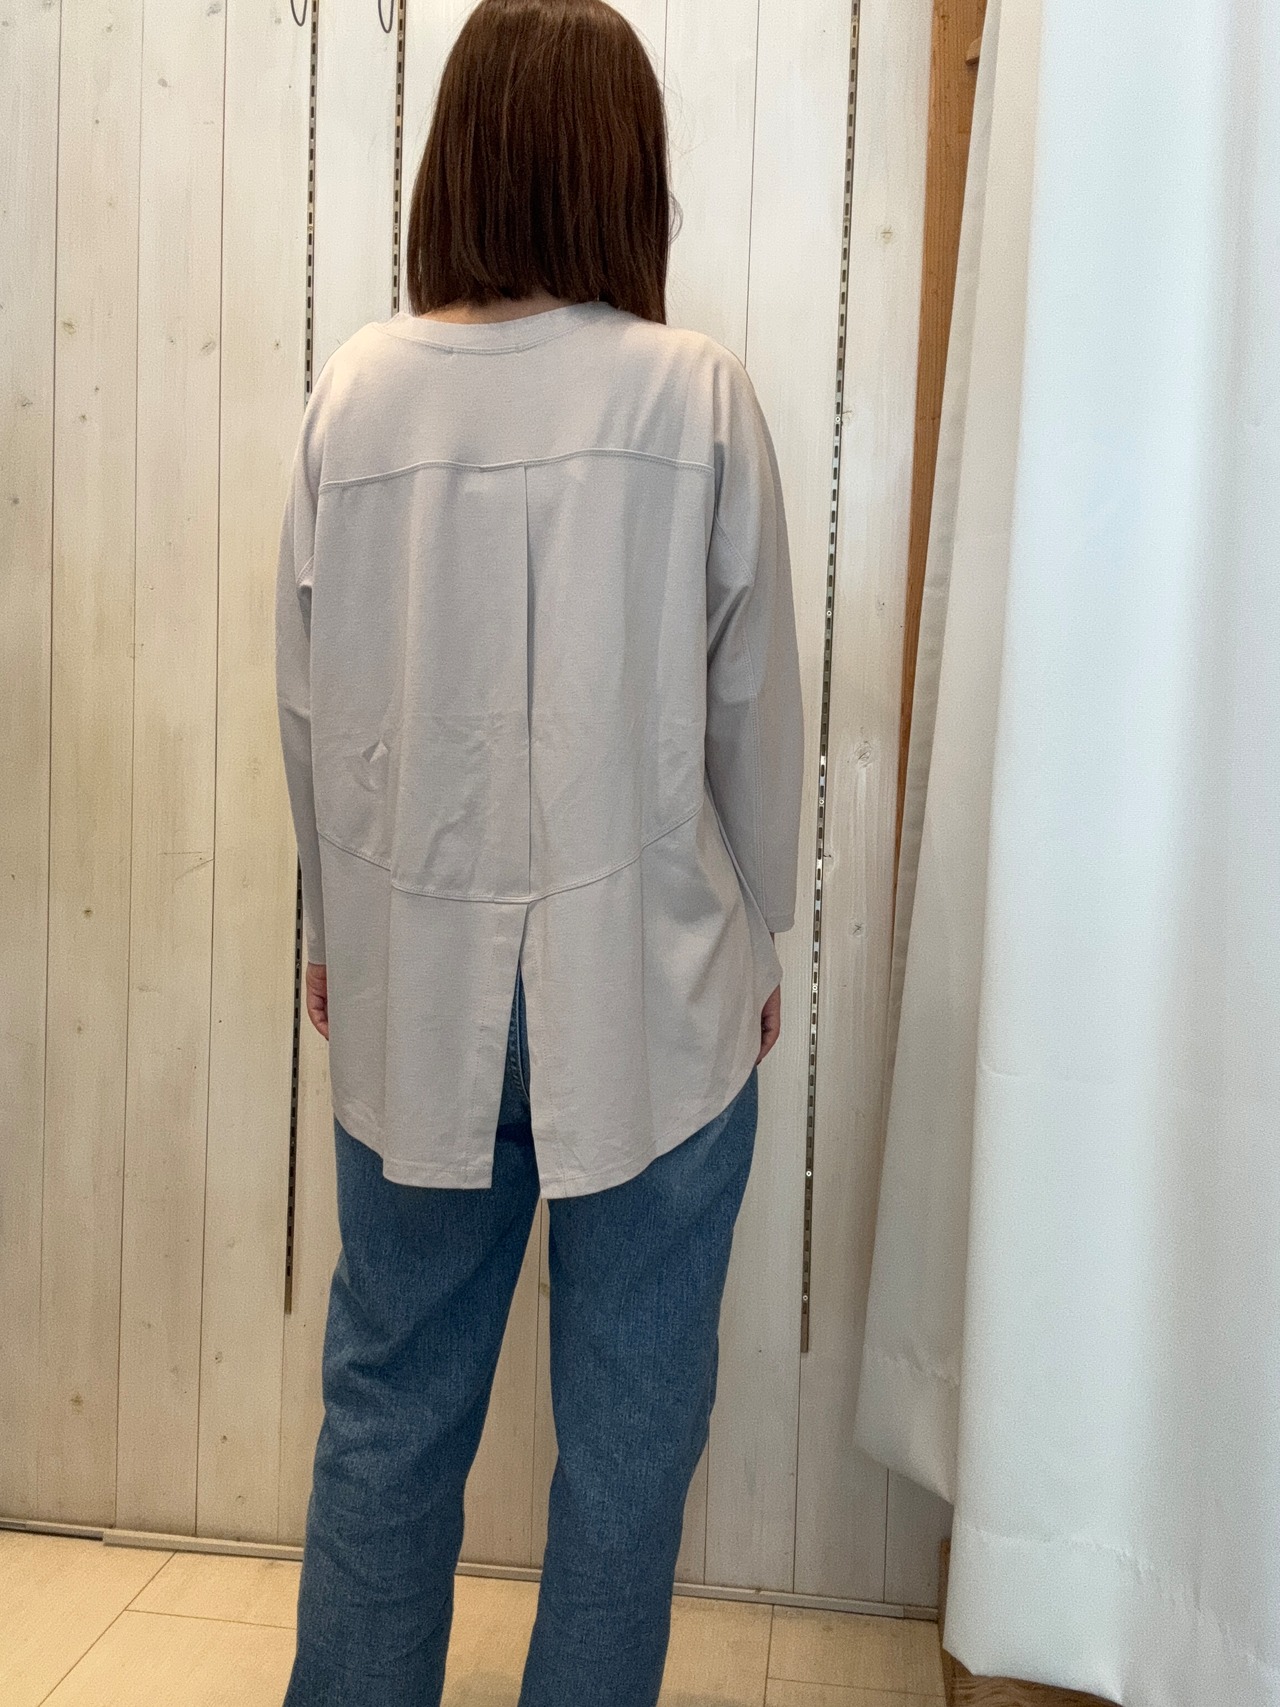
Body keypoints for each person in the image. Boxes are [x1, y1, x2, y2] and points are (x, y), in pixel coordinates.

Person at [274, 1, 804, 1701]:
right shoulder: (696, 396)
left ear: (459, 161)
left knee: (390, 1416)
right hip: (647, 984)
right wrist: (761, 935)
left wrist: (335, 937)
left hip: (417, 987)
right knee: (630, 1453)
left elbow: (310, 710)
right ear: (625, 169)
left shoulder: (355, 396)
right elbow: (754, 712)